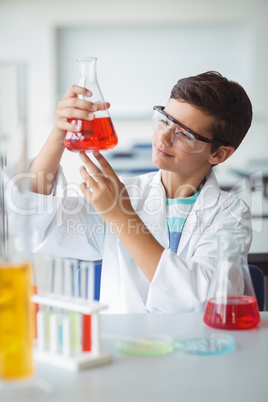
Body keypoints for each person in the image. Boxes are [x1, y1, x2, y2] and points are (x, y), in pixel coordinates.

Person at [13, 71, 254, 313]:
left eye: (184, 133)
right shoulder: (123, 193)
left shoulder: (230, 213)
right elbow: (32, 226)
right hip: (122, 346)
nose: (163, 137)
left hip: (194, 346)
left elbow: (210, 300)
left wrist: (121, 217)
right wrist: (58, 134)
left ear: (219, 154)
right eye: (164, 120)